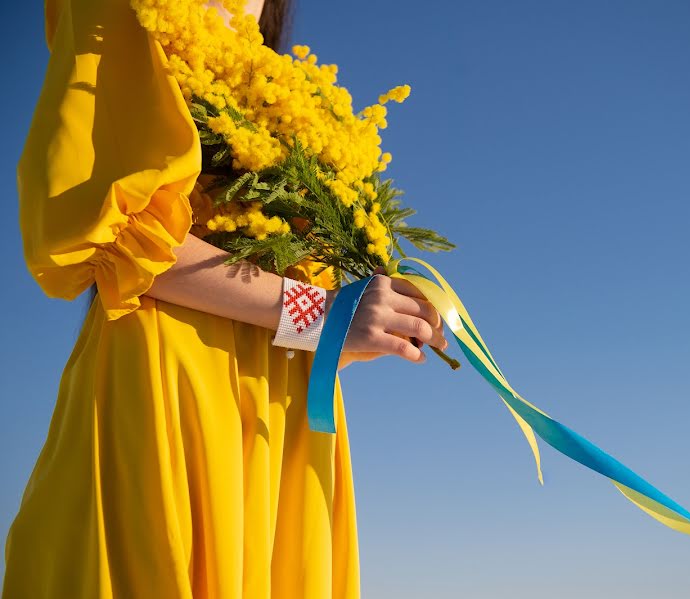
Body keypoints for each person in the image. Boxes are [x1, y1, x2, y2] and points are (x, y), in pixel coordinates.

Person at [3, 0, 446, 597]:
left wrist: (375, 315)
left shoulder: (282, 81)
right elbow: (110, 234)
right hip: (178, 375)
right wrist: (322, 316)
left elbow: (310, 295)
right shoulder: (121, 11)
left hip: (289, 404)